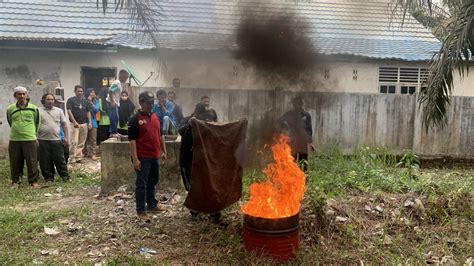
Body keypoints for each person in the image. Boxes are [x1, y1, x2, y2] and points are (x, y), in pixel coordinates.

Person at [178, 102, 223, 223]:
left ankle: (214, 212)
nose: (206, 119)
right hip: (189, 160)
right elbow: (180, 130)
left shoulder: (209, 122)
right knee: (193, 186)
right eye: (202, 116)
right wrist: (190, 124)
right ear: (196, 113)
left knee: (211, 185)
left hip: (207, 160)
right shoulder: (188, 120)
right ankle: (195, 211)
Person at [128, 91, 168, 220]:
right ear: (141, 103)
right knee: (141, 184)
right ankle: (141, 210)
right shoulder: (135, 119)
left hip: (154, 155)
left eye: (152, 103)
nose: (150, 105)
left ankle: (152, 204)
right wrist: (135, 159)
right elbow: (132, 140)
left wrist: (164, 151)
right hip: (142, 157)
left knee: (153, 181)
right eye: (148, 103)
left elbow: (161, 135)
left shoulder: (156, 117)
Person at [6, 86, 41, 189]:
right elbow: (10, 121)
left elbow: (37, 122)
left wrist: (34, 135)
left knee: (32, 161)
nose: (22, 96)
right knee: (15, 161)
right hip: (14, 139)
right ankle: (16, 181)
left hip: (30, 139)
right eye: (19, 94)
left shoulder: (34, 108)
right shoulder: (10, 108)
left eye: (23, 94)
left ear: (26, 95)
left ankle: (33, 181)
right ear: (15, 96)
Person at [38, 93, 70, 182]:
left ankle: (65, 177)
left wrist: (66, 138)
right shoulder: (38, 111)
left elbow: (64, 125)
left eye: (52, 99)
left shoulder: (59, 111)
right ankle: (49, 178)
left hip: (56, 140)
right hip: (43, 140)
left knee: (60, 159)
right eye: (48, 99)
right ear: (44, 100)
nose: (50, 101)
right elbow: (34, 125)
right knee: (45, 161)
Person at [279, 96, 313, 170]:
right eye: (295, 104)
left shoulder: (306, 115)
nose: (297, 105)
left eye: (299, 104)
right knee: (292, 161)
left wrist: (310, 142)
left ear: (302, 104)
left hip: (303, 142)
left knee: (303, 162)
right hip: (292, 141)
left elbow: (309, 130)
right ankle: (292, 178)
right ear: (293, 105)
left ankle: (304, 178)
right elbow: (280, 121)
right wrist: (285, 126)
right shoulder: (289, 114)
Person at [67, 85, 92, 164]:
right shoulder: (71, 100)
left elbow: (88, 112)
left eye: (81, 91)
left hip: (84, 123)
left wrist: (90, 122)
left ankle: (78, 157)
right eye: (78, 91)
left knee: (81, 142)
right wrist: (74, 122)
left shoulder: (86, 102)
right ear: (75, 92)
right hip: (74, 124)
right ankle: (72, 158)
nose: (80, 92)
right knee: (74, 141)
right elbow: (69, 111)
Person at [108, 70, 129, 136]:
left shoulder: (119, 83)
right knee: (113, 117)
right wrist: (112, 101)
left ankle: (115, 131)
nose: (126, 79)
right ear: (121, 76)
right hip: (112, 102)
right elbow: (110, 91)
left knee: (116, 117)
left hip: (116, 103)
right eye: (126, 78)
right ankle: (113, 132)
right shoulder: (117, 83)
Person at [85, 88, 99, 160]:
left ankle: (93, 154)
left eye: (93, 92)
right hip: (84, 122)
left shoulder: (96, 101)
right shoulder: (83, 101)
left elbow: (97, 110)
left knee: (93, 139)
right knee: (84, 139)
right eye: (91, 92)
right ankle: (85, 153)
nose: (92, 93)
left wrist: (91, 103)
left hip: (93, 122)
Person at [54, 95, 69, 164]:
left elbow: (64, 124)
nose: (59, 104)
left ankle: (64, 166)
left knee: (66, 153)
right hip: (53, 137)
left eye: (60, 103)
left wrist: (66, 137)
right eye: (57, 103)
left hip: (62, 135)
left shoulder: (61, 111)